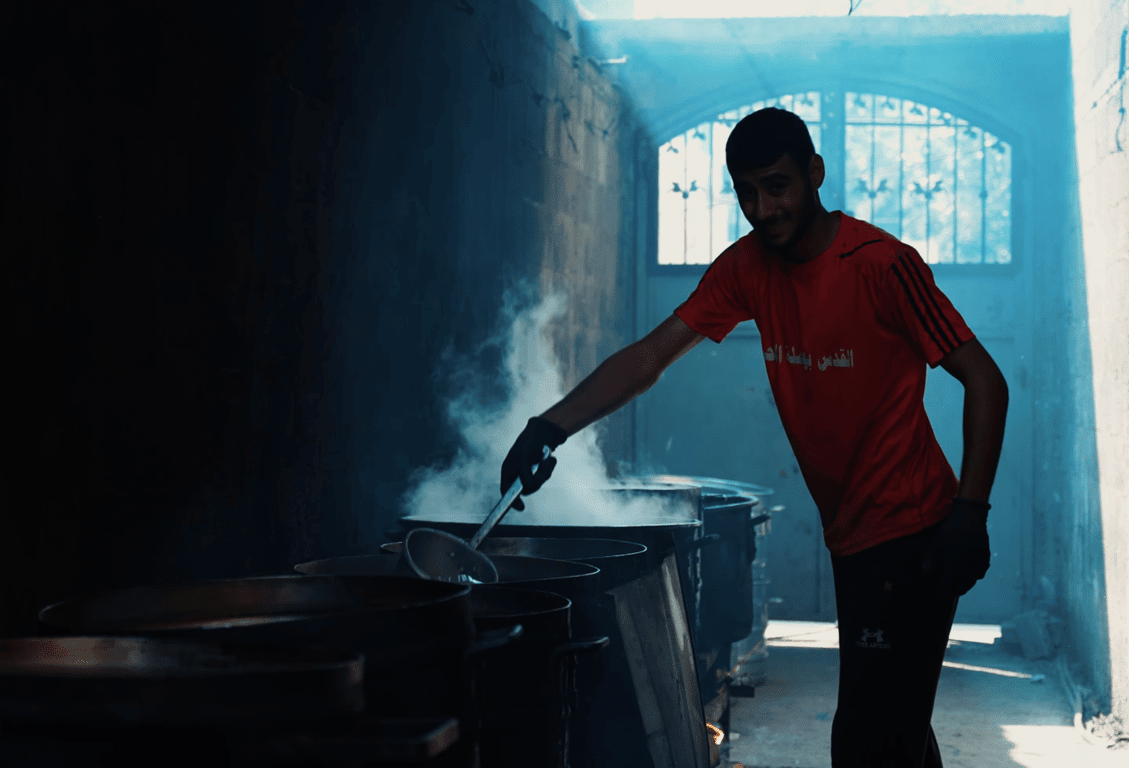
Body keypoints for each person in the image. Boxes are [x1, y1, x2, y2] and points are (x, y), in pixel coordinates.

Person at [500, 106, 1008, 767]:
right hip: (852, 536)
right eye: (746, 192)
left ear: (814, 174)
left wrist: (969, 514)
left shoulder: (881, 264)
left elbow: (985, 381)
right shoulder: (747, 268)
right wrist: (550, 426)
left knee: (868, 738)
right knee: (897, 726)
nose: (763, 209)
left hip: (913, 533)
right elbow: (650, 356)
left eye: (777, 186)